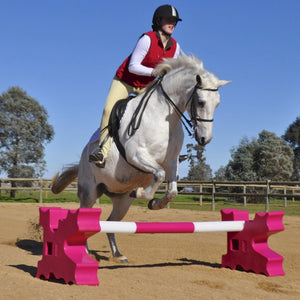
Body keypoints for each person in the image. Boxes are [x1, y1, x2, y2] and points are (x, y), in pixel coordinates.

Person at [89, 4, 182, 167]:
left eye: (174, 21)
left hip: (147, 85)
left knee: (166, 110)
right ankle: (102, 151)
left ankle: (170, 151)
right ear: (159, 21)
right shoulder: (147, 39)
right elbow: (133, 66)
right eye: (169, 20)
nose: (172, 23)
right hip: (124, 81)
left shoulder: (175, 47)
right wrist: (154, 72)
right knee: (108, 110)